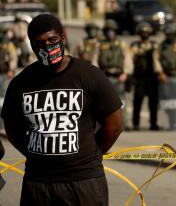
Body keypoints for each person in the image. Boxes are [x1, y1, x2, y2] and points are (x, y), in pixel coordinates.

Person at [1, 14, 123, 205]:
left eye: (52, 40)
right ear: (32, 46)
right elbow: (12, 129)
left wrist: (93, 154)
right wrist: (36, 154)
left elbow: (114, 124)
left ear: (62, 38)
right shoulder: (21, 83)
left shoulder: (89, 75)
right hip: (37, 183)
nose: (48, 47)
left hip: (83, 182)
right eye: (40, 43)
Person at [98, 19, 133, 130]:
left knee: (122, 102)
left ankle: (126, 123)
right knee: (104, 102)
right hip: (105, 77)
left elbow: (128, 59)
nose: (110, 33)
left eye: (112, 30)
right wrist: (98, 76)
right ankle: (105, 123)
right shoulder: (100, 45)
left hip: (119, 77)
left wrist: (125, 73)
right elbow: (95, 61)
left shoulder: (122, 44)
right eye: (108, 30)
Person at [130, 22, 160, 131]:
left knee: (153, 103)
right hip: (139, 78)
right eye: (143, 32)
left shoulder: (154, 45)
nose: (145, 34)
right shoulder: (135, 46)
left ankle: (153, 123)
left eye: (147, 32)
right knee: (137, 101)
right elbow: (129, 60)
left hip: (152, 78)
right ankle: (136, 124)